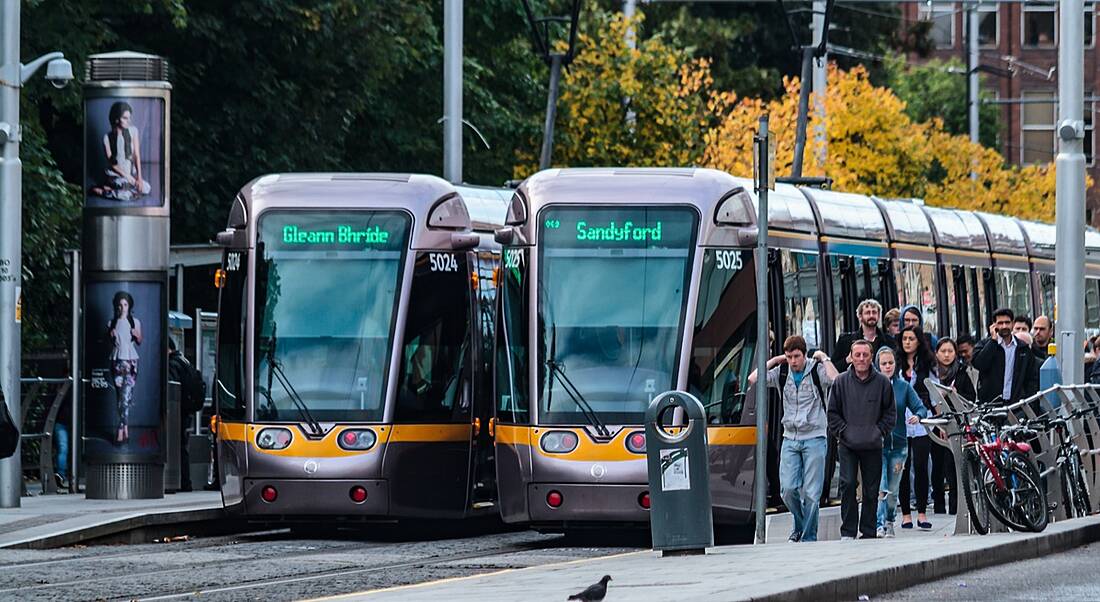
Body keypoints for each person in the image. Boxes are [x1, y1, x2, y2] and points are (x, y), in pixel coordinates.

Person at [749, 335, 839, 542]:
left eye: (796, 356)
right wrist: (774, 360)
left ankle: (807, 536)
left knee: (812, 493)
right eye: (789, 357)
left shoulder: (816, 370)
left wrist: (824, 358)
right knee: (787, 490)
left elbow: (836, 379)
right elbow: (753, 379)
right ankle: (799, 525)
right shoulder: (782, 372)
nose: (793, 361)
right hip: (790, 437)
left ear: (804, 354)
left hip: (815, 436)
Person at [827, 340, 896, 540]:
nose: (861, 359)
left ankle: (868, 531)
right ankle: (848, 531)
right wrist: (843, 432)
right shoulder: (840, 381)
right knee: (847, 484)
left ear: (871, 357)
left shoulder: (882, 382)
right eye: (857, 355)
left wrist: (878, 432)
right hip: (847, 444)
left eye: (865, 355)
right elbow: (832, 413)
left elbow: (890, 413)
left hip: (873, 444)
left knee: (871, 489)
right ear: (851, 356)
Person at [875, 347, 927, 538]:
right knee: (881, 487)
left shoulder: (903, 387)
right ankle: (879, 524)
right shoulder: (872, 385)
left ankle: (889, 520)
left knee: (893, 489)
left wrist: (917, 416)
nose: (887, 367)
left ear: (895, 364)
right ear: (877, 365)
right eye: (883, 364)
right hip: (876, 445)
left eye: (890, 363)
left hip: (898, 446)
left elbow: (920, 407)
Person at [929, 338, 974, 516]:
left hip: (956, 423)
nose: (947, 355)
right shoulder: (932, 373)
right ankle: (939, 504)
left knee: (954, 465)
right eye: (943, 351)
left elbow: (970, 397)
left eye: (950, 351)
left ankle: (955, 506)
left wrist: (957, 395)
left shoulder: (961, 372)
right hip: (935, 422)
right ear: (936, 353)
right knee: (937, 466)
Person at [896, 325, 935, 530]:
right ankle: (905, 515)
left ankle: (921, 512)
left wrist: (939, 419)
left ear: (919, 341)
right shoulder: (896, 364)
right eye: (904, 339)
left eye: (911, 338)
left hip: (921, 420)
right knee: (902, 466)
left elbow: (934, 391)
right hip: (900, 421)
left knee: (920, 466)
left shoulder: (927, 364)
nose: (908, 342)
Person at [972, 308, 1040, 407]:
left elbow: (1031, 378)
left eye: (1007, 322)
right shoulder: (985, 345)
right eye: (1000, 323)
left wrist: (1027, 401)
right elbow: (979, 364)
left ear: (1012, 324)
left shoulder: (1023, 348)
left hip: (1017, 405)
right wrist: (993, 341)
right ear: (994, 325)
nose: (1004, 326)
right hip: (991, 405)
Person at [90, 101, 151, 201]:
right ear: (116, 119)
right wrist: (128, 177)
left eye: (129, 118)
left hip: (130, 173)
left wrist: (139, 177)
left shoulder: (133, 131)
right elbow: (112, 164)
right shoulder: (107, 138)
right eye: (125, 118)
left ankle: (110, 189)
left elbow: (136, 155)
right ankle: (104, 191)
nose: (129, 121)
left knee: (146, 188)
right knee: (126, 194)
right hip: (117, 175)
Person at [169, 338, 205, 492]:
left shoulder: (173, 364)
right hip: (187, 410)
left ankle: (180, 481)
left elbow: (172, 388)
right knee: (182, 446)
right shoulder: (184, 361)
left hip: (177, 411)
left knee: (176, 446)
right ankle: (185, 482)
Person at [108, 291, 142, 445]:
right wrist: (111, 335)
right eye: (120, 305)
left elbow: (140, 340)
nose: (123, 308)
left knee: (126, 397)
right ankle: (125, 427)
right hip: (116, 360)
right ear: (117, 306)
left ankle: (121, 430)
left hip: (131, 361)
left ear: (129, 306)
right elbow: (111, 342)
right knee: (120, 397)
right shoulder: (111, 323)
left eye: (125, 304)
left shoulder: (135, 322)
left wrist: (136, 334)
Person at [831, 299, 896, 375]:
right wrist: (847, 360)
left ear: (878, 316)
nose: (871, 315)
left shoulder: (889, 341)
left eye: (874, 312)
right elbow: (833, 368)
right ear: (860, 316)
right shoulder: (846, 341)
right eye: (867, 313)